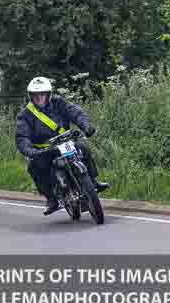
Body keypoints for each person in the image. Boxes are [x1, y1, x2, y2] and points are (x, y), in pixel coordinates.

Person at [15, 76, 110, 215]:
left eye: (43, 95)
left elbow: (75, 113)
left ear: (49, 94)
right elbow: (22, 136)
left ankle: (93, 181)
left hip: (65, 141)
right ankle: (51, 199)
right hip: (44, 150)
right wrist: (30, 151)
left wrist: (86, 126)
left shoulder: (59, 103)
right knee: (35, 167)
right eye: (36, 96)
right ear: (30, 96)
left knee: (83, 148)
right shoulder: (25, 115)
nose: (39, 99)